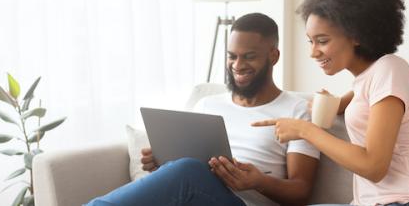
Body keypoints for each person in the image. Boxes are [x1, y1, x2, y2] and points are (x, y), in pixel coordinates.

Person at [253, 0, 409, 206]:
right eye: (311, 41)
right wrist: (329, 105)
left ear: (356, 35)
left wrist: (305, 130)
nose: (313, 52)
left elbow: (374, 166)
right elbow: (354, 101)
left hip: (407, 201)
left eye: (323, 41)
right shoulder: (366, 79)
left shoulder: (390, 70)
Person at [85, 13, 320, 206]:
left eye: (249, 57)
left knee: (188, 170)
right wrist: (165, 163)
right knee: (184, 169)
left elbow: (301, 192)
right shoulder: (208, 103)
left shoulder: (296, 110)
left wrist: (257, 181)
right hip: (192, 197)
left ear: (274, 56)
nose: (237, 65)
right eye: (232, 57)